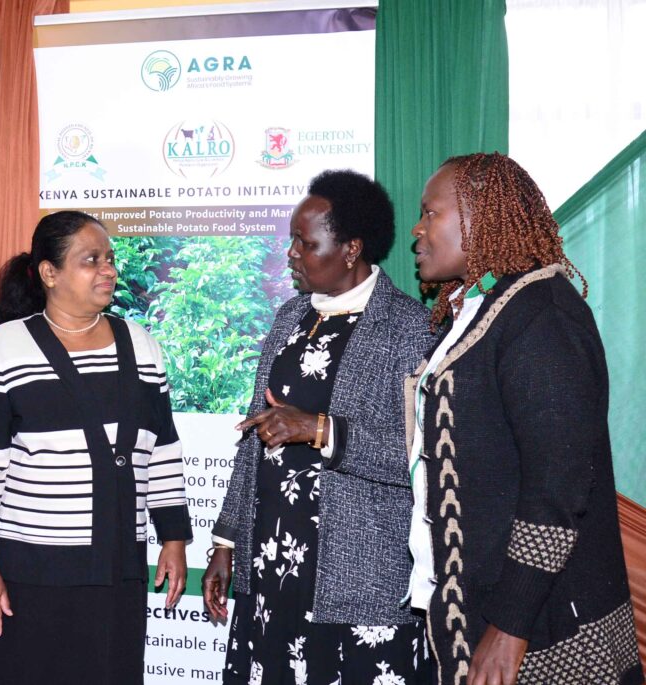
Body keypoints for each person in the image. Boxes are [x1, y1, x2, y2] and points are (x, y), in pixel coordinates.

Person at [408, 152, 644, 685]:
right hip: (482, 611)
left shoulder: (541, 316)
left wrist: (509, 625)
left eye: (431, 213)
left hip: (545, 627)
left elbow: (558, 486)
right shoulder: (485, 306)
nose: (417, 231)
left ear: (481, 215)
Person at [203, 170, 436, 684]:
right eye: (292, 241)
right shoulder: (287, 318)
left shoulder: (408, 327)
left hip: (358, 578)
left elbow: (423, 458)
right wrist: (227, 542)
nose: (291, 253)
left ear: (351, 249)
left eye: (306, 244)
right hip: (271, 567)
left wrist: (323, 429)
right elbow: (253, 438)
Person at [0, 210, 192, 685]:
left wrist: (173, 538)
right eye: (91, 260)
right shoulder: (2, 349)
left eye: (109, 259)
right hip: (30, 573)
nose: (108, 270)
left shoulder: (142, 346)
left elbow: (163, 448)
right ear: (50, 273)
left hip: (117, 570)